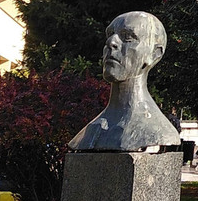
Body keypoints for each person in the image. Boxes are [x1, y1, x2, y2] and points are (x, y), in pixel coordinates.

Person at [68, 11, 180, 152]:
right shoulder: (88, 132)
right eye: (109, 35)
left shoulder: (157, 131)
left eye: (127, 37)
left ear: (154, 54)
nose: (111, 42)